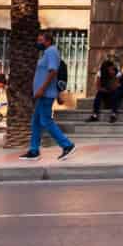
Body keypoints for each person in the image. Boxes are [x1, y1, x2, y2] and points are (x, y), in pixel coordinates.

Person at [23, 29, 75, 160]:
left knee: (46, 120)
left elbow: (53, 72)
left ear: (48, 41)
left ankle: (67, 145)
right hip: (45, 93)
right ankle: (34, 150)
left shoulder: (51, 51)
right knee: (36, 121)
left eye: (40, 40)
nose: (38, 42)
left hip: (45, 94)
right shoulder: (47, 53)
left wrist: (41, 89)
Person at [88, 58, 123, 123]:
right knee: (99, 94)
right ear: (106, 69)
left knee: (116, 93)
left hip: (120, 88)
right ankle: (95, 115)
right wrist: (104, 90)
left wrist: (113, 76)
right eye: (110, 68)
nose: (112, 69)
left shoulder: (117, 72)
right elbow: (98, 86)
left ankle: (114, 114)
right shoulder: (101, 73)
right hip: (108, 89)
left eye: (112, 68)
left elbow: (116, 85)